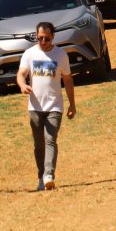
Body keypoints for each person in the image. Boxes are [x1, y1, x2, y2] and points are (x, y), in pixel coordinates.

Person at [16, 22, 76, 191]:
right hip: (35, 106)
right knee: (38, 144)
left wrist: (72, 103)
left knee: (50, 139)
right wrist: (22, 85)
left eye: (47, 38)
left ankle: (49, 174)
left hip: (54, 106)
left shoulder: (61, 55)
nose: (43, 41)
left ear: (53, 37)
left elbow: (68, 80)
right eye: (40, 38)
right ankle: (41, 176)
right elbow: (21, 74)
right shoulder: (29, 53)